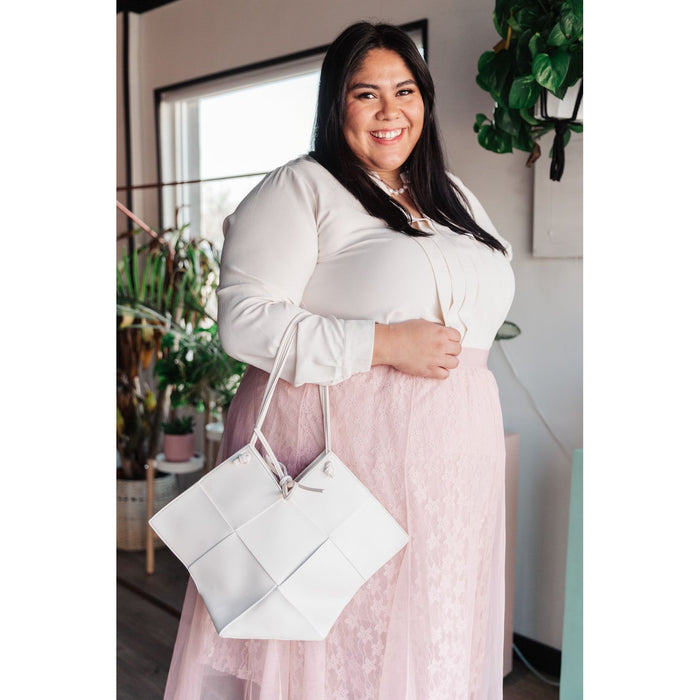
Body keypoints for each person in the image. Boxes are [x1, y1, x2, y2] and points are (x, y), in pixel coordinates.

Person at [164, 20, 514, 700]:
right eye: (367, 94)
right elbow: (243, 320)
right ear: (336, 105)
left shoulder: (456, 199)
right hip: (342, 463)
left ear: (426, 100)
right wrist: (382, 344)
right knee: (334, 644)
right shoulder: (302, 187)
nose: (391, 112)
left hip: (452, 475)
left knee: (430, 638)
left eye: (406, 91)